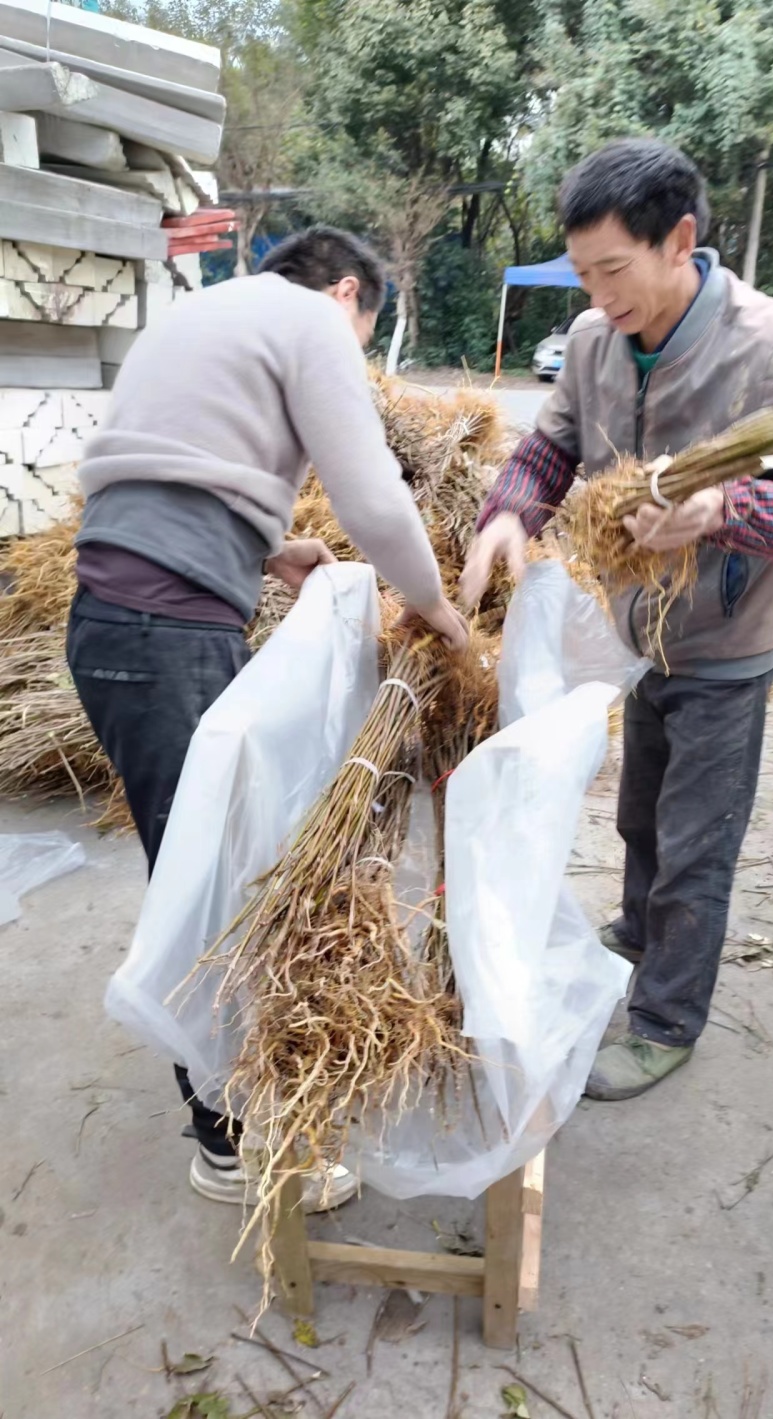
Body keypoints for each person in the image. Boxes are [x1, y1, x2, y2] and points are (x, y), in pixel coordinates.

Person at [67, 225, 468, 1203]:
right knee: (206, 883)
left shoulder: (203, 310)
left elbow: (167, 467)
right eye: (364, 337)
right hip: (158, 634)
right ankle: (227, 1143)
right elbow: (372, 497)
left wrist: (267, 548)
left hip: (127, 621)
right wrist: (437, 609)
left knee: (214, 857)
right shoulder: (312, 320)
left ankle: (232, 1105)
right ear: (347, 295)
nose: (356, 357)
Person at [462, 139, 773, 1101]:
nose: (600, 294)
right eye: (584, 273)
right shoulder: (596, 341)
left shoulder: (771, 343)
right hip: (636, 630)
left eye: (614, 270)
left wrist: (722, 510)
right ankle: (644, 931)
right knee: (641, 809)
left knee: (699, 836)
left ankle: (664, 1019)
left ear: (679, 240)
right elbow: (550, 448)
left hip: (727, 641)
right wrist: (504, 518)